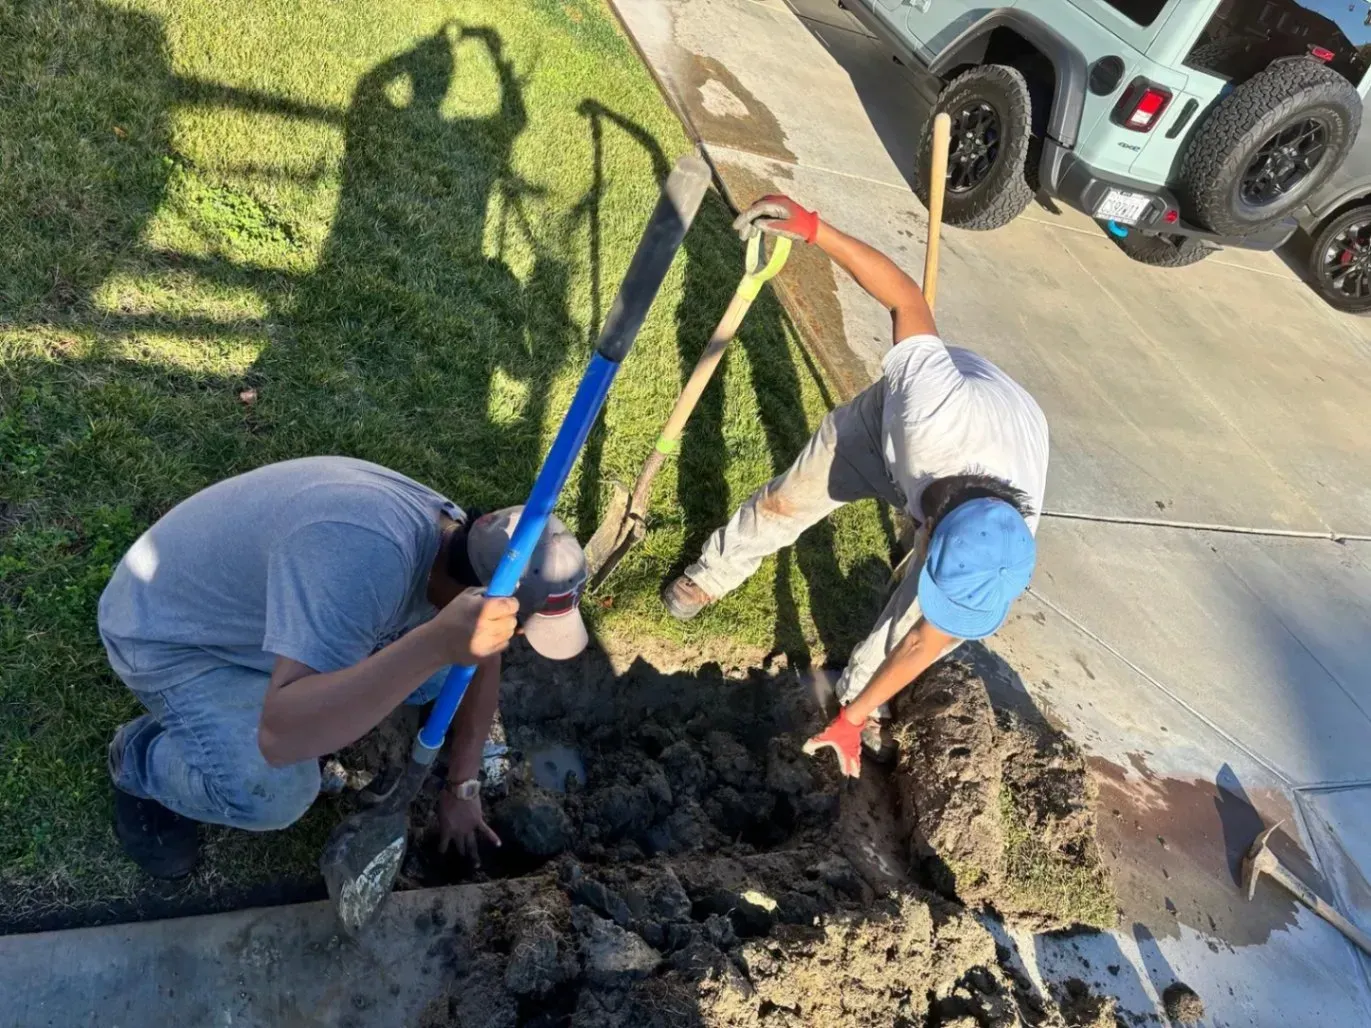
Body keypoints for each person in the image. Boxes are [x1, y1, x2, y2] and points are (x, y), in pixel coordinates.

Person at [662, 195, 1049, 778]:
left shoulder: (1005, 549)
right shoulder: (929, 412)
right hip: (890, 428)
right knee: (786, 501)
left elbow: (928, 638)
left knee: (914, 610)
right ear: (929, 528)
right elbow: (905, 297)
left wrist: (854, 716)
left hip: (991, 446)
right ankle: (713, 574)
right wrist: (816, 229)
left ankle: (858, 695)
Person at [98, 456, 588, 878]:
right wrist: (435, 644)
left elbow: (481, 653)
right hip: (177, 638)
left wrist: (464, 782)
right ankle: (140, 760)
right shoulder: (362, 562)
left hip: (261, 621)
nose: (512, 640)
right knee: (275, 792)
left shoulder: (457, 542)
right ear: (477, 595)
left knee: (436, 671)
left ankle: (322, 692)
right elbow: (280, 737)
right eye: (516, 630)